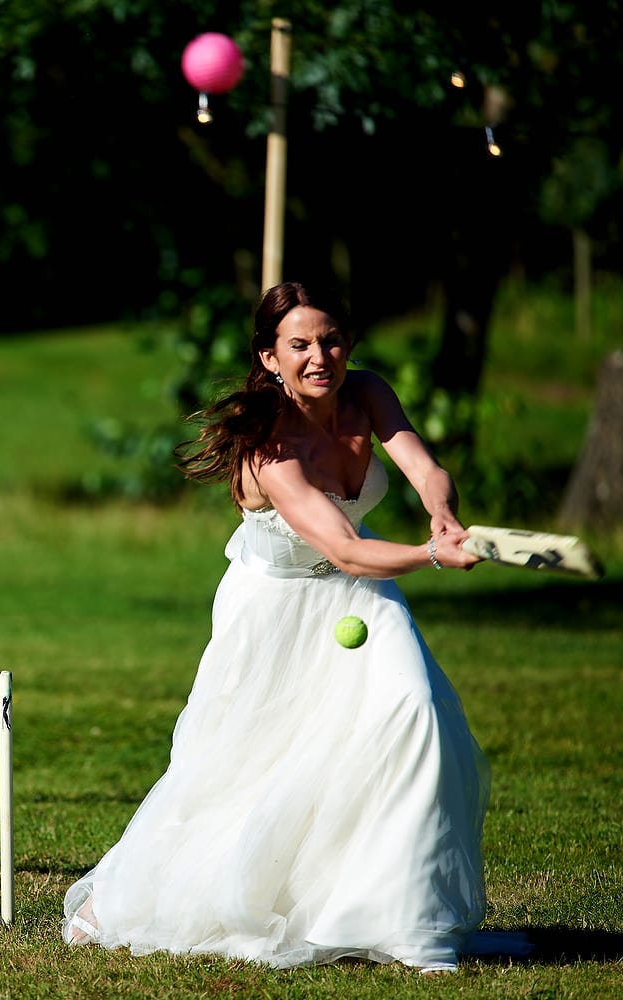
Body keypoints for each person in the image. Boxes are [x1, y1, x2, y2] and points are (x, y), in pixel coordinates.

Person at [62, 281, 489, 974]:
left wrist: (441, 513)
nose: (320, 356)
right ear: (269, 357)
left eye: (330, 340)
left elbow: (422, 466)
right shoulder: (264, 445)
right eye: (300, 346)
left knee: (417, 711)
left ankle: (408, 923)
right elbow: (343, 546)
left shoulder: (368, 392)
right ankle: (123, 901)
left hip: (361, 596)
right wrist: (433, 555)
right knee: (241, 775)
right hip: (275, 609)